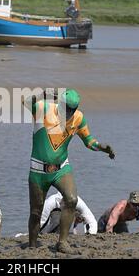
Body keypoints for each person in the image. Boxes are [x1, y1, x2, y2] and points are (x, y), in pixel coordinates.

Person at [23, 88, 115, 253]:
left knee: (71, 199)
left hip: (61, 169)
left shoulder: (78, 118)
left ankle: (62, 242)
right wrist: (45, 93)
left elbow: (89, 141)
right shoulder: (44, 108)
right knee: (36, 211)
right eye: (67, 109)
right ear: (60, 104)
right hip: (38, 170)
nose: (69, 113)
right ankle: (32, 244)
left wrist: (102, 148)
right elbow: (26, 102)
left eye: (72, 110)